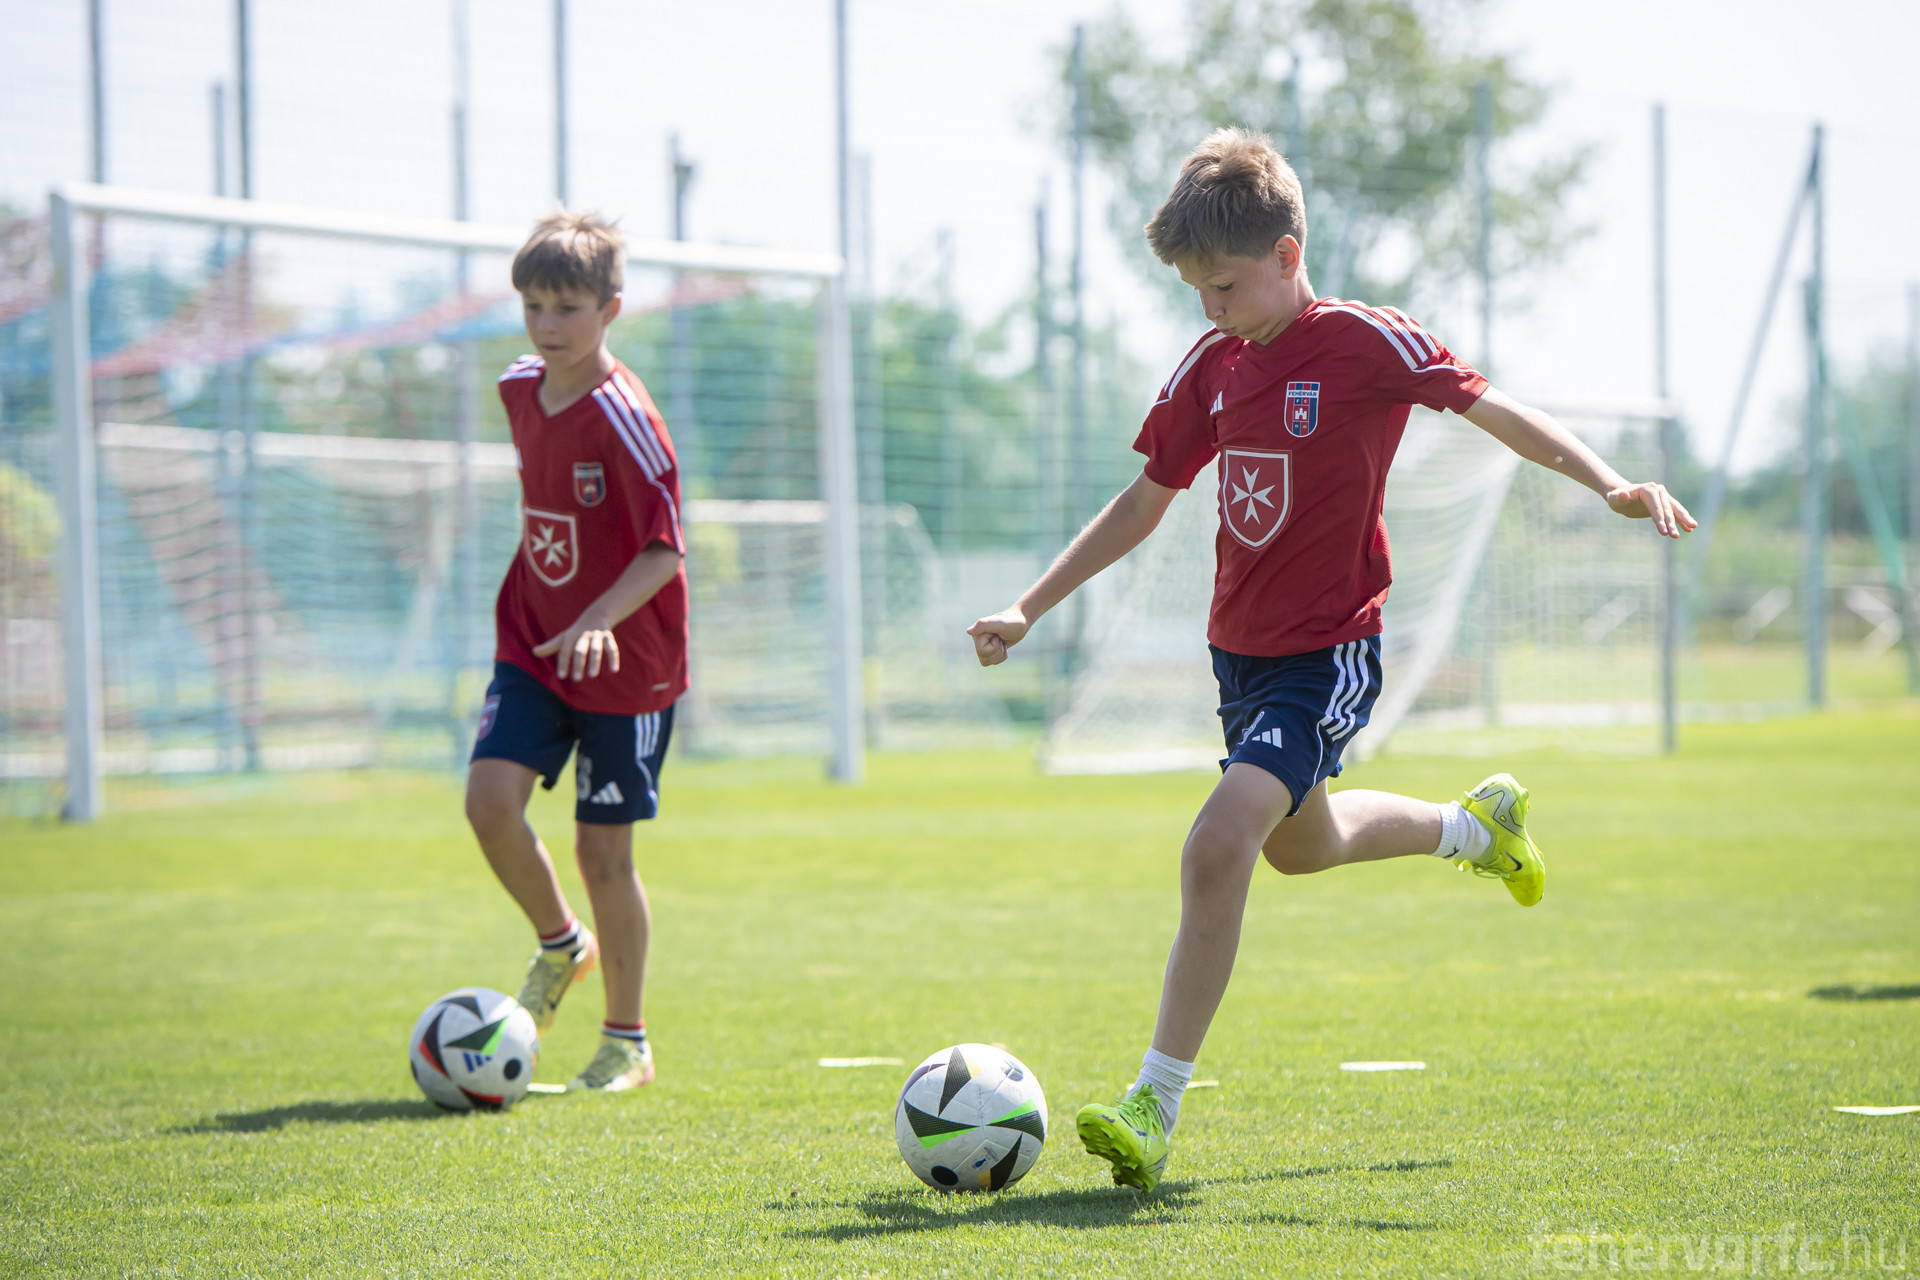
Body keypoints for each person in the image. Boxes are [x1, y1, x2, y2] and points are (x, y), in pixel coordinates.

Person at [967, 128, 1694, 1189]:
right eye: (1193, 290)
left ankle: (1153, 1104)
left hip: (1327, 652)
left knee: (1217, 844)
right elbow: (1144, 501)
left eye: (1223, 284)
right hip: (1238, 659)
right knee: (1302, 847)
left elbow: (1495, 410)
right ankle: (1474, 828)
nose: (1209, 306)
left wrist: (1608, 482)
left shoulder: (1363, 341)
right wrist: (1028, 605)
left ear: (1288, 254)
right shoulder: (1212, 364)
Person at [464, 210, 687, 1093]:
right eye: (533, 306)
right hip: (531, 640)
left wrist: (599, 616)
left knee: (604, 853)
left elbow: (666, 550)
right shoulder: (519, 388)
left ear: (610, 310)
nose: (546, 325)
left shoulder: (628, 419)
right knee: (489, 805)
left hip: (628, 667)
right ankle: (562, 943)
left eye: (566, 307)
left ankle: (627, 1042)